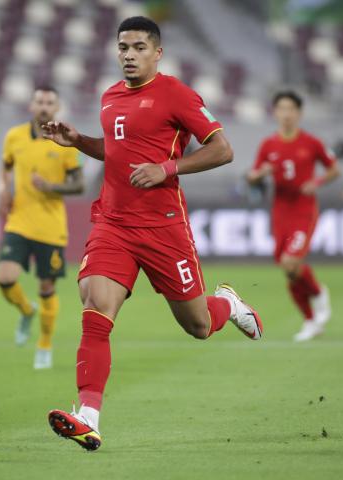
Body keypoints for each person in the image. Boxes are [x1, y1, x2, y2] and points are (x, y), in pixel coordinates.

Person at [40, 16, 263, 451]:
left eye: (139, 47)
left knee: (198, 325)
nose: (129, 55)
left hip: (164, 228)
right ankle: (88, 416)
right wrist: (79, 140)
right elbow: (116, 151)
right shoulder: (109, 97)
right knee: (95, 304)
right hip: (114, 223)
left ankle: (229, 305)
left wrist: (168, 168)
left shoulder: (176, 94)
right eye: (123, 47)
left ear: (157, 53)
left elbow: (223, 149)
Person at [0, 86, 84, 369]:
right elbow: (5, 167)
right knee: (5, 278)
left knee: (46, 287)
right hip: (19, 221)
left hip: (51, 227)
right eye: (39, 101)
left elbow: (79, 185)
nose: (44, 106)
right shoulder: (14, 136)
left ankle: (44, 344)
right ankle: (26, 310)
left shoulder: (64, 141)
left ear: (56, 108)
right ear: (31, 106)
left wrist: (50, 186)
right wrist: (2, 191)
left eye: (49, 102)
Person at [247, 91, 339, 342]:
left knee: (290, 262)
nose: (286, 114)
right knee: (288, 270)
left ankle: (317, 296)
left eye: (290, 109)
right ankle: (311, 319)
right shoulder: (268, 145)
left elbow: (334, 169)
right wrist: (260, 174)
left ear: (299, 113)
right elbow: (252, 177)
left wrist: (316, 181)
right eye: (281, 109)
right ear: (275, 112)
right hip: (280, 211)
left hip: (303, 210)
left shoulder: (311, 143)